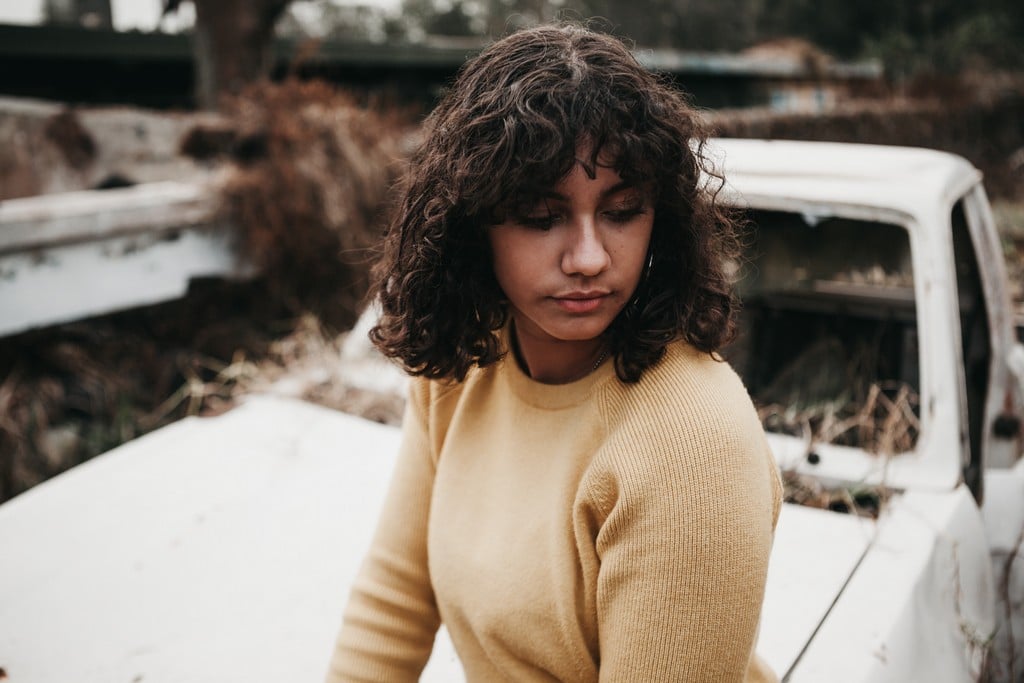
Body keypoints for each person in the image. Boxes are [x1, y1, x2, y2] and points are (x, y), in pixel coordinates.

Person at [325, 23, 782, 682]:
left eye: (623, 211)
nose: (589, 258)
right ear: (471, 224)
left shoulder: (691, 445)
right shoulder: (466, 365)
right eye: (542, 218)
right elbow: (396, 597)